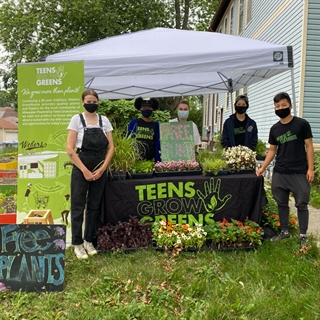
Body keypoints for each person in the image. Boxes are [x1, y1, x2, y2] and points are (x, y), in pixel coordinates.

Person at [256, 92, 314, 245]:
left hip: (299, 172)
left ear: (290, 106)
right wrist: (262, 167)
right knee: (281, 203)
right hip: (280, 172)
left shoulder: (302, 124)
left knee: (302, 203)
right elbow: (272, 151)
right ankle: (284, 231)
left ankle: (302, 235)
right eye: (277, 106)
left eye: (283, 105)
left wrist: (310, 169)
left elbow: (309, 146)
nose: (280, 108)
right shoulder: (274, 129)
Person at [66, 89, 114, 259]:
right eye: (88, 101)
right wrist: (84, 170)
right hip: (81, 166)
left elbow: (111, 147)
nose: (91, 104)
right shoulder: (76, 120)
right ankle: (77, 244)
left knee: (93, 206)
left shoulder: (104, 121)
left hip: (100, 166)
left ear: (98, 102)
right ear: (82, 102)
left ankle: (88, 241)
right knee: (78, 207)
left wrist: (102, 168)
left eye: (94, 102)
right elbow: (70, 149)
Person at [127, 97, 161, 162]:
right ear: (140, 109)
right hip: (136, 159)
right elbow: (128, 140)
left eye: (149, 107)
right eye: (144, 107)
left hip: (151, 159)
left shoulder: (156, 125)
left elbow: (158, 142)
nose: (146, 109)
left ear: (152, 109)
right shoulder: (134, 123)